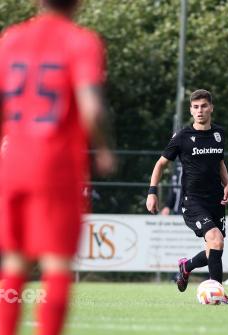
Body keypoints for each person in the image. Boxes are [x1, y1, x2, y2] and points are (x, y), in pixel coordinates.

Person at [0, 1, 115, 335]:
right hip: (56, 166)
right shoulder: (81, 41)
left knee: (13, 262)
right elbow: (91, 108)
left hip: (13, 161)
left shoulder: (10, 39)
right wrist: (106, 149)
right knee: (56, 264)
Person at [146, 89, 228, 303]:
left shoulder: (219, 134)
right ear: (191, 110)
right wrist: (152, 192)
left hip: (216, 200)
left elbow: (219, 162)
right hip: (193, 201)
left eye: (204, 106)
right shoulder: (182, 137)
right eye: (195, 107)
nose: (200, 110)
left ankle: (187, 266)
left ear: (211, 107)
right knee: (215, 239)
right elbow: (160, 164)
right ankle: (218, 294)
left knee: (215, 248)